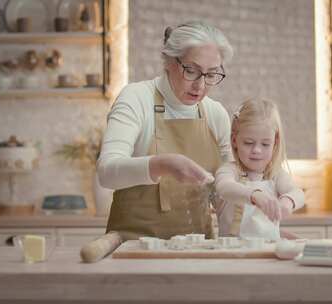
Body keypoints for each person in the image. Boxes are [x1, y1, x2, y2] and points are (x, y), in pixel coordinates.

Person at [97, 21, 234, 240]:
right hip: (135, 248)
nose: (200, 85)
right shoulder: (136, 98)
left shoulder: (216, 114)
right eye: (191, 70)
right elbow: (107, 172)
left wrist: (242, 237)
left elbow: (227, 189)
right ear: (168, 61)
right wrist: (162, 164)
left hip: (199, 250)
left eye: (211, 75)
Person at [214, 97, 305, 240]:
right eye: (249, 143)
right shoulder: (230, 170)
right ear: (234, 141)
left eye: (265, 144)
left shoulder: (275, 174)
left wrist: (288, 201)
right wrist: (255, 195)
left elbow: (297, 193)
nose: (256, 150)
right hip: (232, 254)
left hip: (268, 253)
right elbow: (225, 187)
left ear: (275, 143)